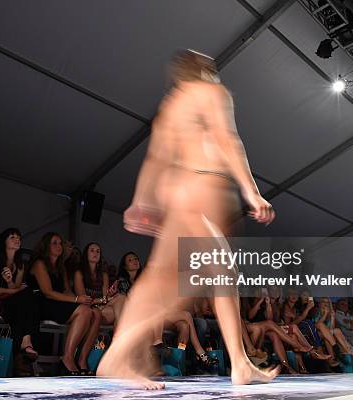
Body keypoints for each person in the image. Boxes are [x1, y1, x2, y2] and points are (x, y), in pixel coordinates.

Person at [97, 50, 278, 389]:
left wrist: (140, 201)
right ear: (204, 71)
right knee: (218, 273)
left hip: (175, 190)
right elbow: (228, 140)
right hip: (197, 188)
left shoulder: (171, 105)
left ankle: (117, 357)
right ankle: (239, 363)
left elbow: (156, 157)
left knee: (162, 282)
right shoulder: (211, 93)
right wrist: (251, 191)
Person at [27, 232, 101, 375]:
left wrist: (81, 301)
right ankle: (67, 357)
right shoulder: (40, 263)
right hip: (42, 303)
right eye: (54, 243)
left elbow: (67, 290)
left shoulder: (61, 267)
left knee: (95, 313)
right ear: (46, 246)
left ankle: (82, 360)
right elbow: (47, 291)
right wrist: (76, 301)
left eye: (60, 243)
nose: (59, 246)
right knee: (84, 311)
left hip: (58, 302)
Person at [0, 228, 40, 375]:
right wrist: (13, 290)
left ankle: (23, 346)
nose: (17, 240)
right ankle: (25, 345)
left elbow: (15, 288)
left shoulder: (19, 264)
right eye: (12, 237)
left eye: (19, 237)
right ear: (4, 241)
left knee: (28, 297)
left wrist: (9, 282)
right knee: (25, 298)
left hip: (12, 301)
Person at [74, 242, 124, 327]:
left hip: (101, 307)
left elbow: (105, 297)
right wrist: (104, 299)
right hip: (86, 309)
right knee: (117, 312)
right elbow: (83, 300)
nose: (95, 253)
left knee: (121, 297)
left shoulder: (103, 274)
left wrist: (110, 293)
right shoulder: (79, 273)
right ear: (86, 254)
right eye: (92, 251)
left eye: (98, 251)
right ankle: (120, 336)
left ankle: (119, 335)